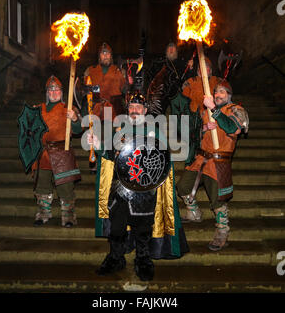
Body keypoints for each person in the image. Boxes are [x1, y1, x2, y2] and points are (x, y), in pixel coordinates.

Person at [87, 90, 189, 281]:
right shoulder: (119, 130)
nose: (134, 110)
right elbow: (109, 154)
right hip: (120, 188)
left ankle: (143, 260)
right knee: (116, 228)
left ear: (145, 111)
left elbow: (162, 160)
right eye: (132, 107)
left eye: (138, 107)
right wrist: (98, 143)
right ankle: (115, 258)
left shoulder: (154, 131)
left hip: (144, 190)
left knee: (143, 229)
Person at [177, 79, 249, 251]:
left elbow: (232, 128)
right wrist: (204, 129)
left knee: (217, 200)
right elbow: (196, 135)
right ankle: (194, 212)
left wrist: (215, 111)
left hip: (219, 161)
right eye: (216, 93)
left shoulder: (236, 110)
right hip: (201, 159)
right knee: (182, 187)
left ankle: (222, 231)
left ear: (229, 95)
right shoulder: (207, 111)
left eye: (222, 92)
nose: (218, 95)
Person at [32, 75, 82, 228]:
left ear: (62, 92)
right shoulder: (38, 109)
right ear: (47, 93)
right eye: (51, 90)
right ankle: (43, 214)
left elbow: (79, 129)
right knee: (42, 187)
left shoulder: (69, 109)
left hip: (62, 152)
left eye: (57, 90)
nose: (54, 93)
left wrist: (74, 119)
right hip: (43, 154)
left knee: (65, 187)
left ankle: (68, 218)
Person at [83, 42, 129, 121]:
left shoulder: (120, 71)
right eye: (103, 53)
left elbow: (125, 91)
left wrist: (129, 83)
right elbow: (85, 92)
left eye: (108, 53)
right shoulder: (90, 71)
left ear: (111, 56)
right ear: (99, 56)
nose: (105, 56)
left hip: (114, 111)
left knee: (113, 132)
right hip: (95, 111)